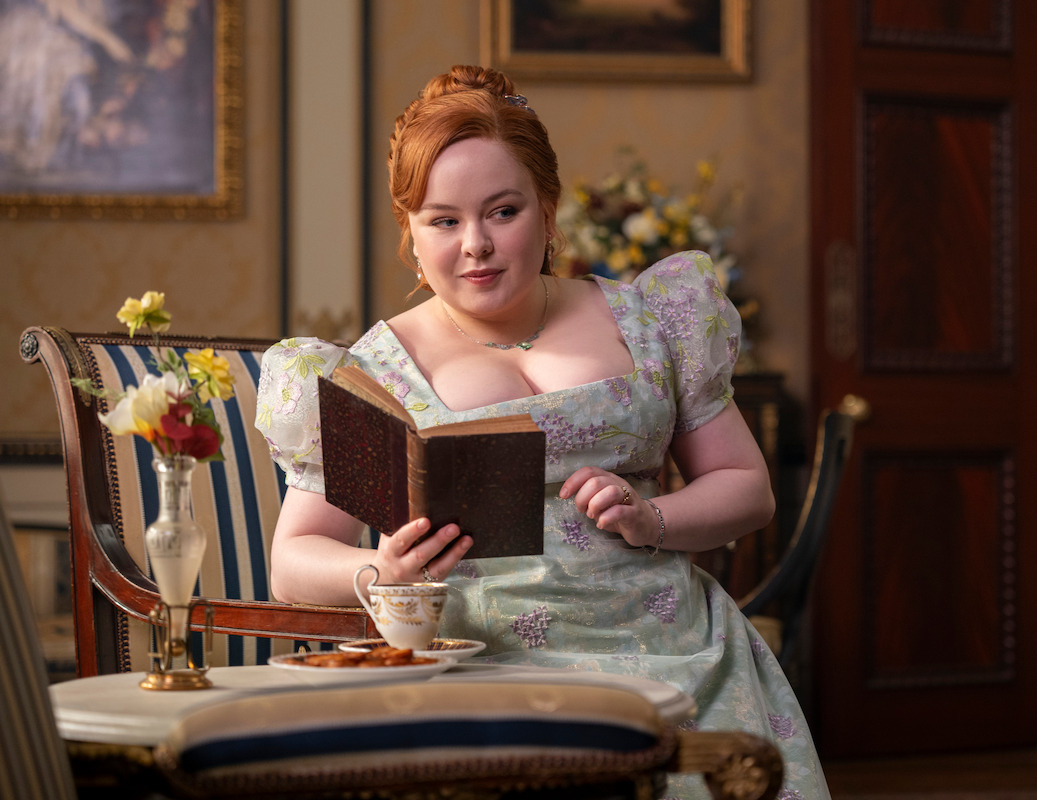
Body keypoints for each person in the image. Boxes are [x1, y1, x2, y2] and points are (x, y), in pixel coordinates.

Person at [255, 64, 830, 800]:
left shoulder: (651, 318)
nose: (476, 244)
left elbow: (747, 489)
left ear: (549, 211)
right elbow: (293, 560)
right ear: (410, 231)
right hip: (479, 667)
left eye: (503, 211)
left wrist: (652, 517)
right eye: (443, 221)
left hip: (676, 651)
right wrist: (381, 571)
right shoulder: (373, 372)